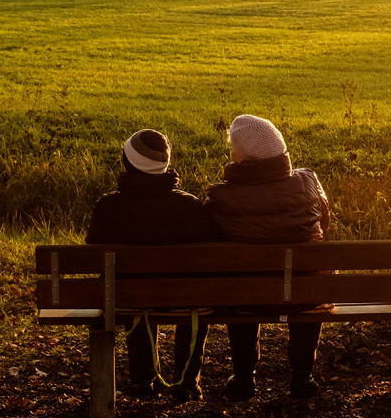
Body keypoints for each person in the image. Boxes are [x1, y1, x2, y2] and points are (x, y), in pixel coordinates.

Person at [205, 114, 332, 401]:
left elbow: (213, 240)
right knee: (309, 280)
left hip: (248, 296)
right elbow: (323, 224)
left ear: (240, 156)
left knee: (242, 284)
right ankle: (303, 377)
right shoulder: (308, 180)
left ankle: (243, 377)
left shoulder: (221, 196)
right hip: (306, 294)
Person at [86, 129, 218, 402]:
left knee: (133, 293)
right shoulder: (189, 206)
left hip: (124, 297)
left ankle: (142, 380)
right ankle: (187, 381)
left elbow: (92, 248)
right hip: (185, 298)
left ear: (127, 163)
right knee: (194, 296)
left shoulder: (108, 206)